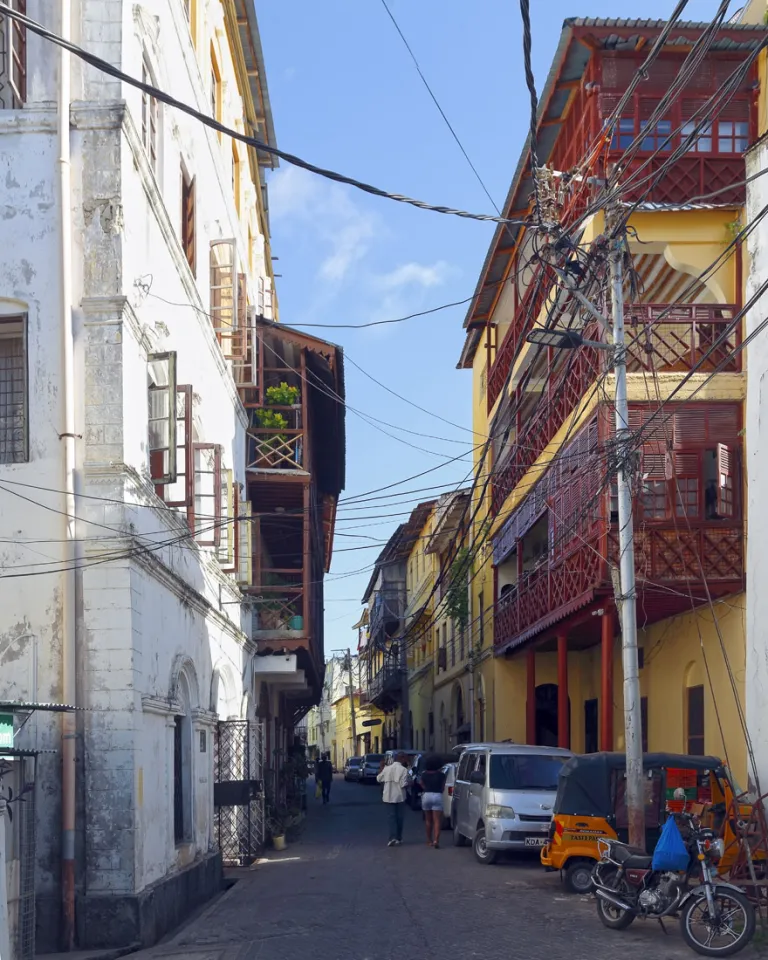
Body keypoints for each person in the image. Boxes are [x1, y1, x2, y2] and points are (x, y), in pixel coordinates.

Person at [377, 751, 409, 846]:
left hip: (388, 796)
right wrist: (410, 783)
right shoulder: (403, 770)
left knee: (391, 818)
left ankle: (392, 838)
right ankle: (398, 837)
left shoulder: (387, 769)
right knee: (399, 818)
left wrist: (381, 768)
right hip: (400, 797)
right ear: (402, 759)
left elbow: (378, 779)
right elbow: (403, 784)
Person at [420, 756, 447, 848]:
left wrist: (427, 789)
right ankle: (436, 840)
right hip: (437, 795)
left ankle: (429, 840)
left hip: (426, 795)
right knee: (437, 820)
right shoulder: (442, 775)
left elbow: (421, 784)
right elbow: (443, 787)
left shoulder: (424, 774)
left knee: (428, 820)